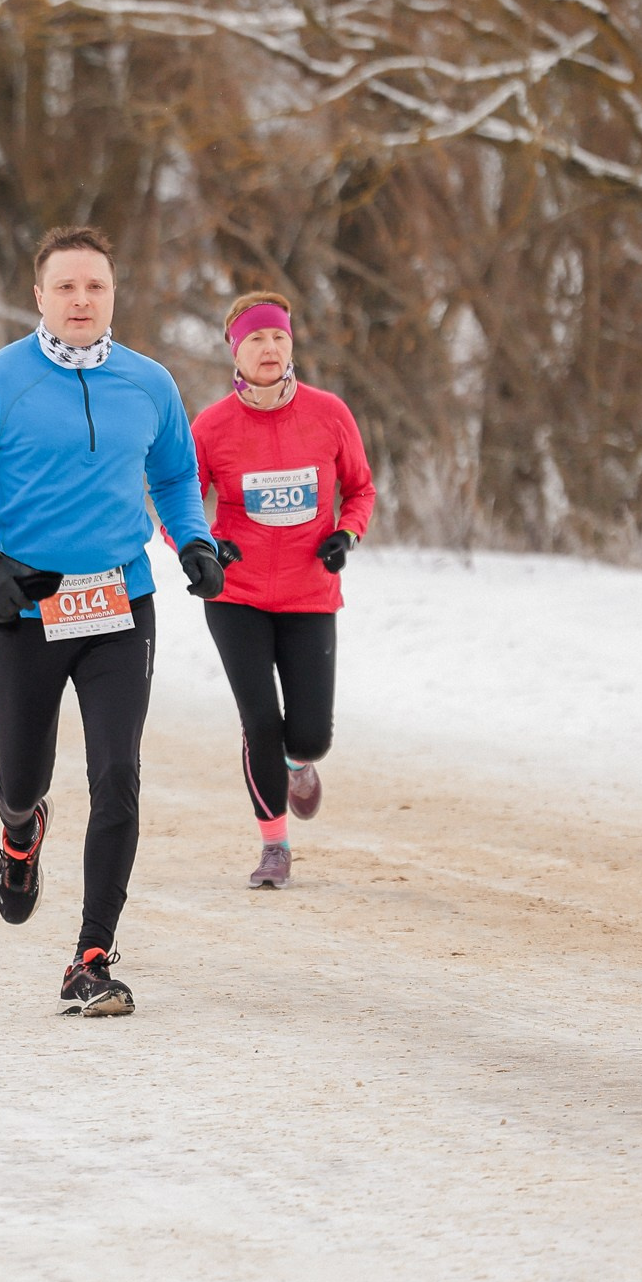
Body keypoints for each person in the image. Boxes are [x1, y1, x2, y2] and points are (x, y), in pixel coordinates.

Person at [0, 224, 229, 1017]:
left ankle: (91, 955)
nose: (81, 300)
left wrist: (191, 540)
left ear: (113, 295)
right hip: (26, 606)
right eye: (66, 287)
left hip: (122, 603)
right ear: (39, 297)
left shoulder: (150, 383)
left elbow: (175, 472)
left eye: (95, 286)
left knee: (117, 776)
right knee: (22, 779)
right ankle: (20, 832)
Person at [190, 291, 375, 891]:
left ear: (291, 344)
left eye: (278, 338)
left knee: (311, 733)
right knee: (259, 721)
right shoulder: (212, 427)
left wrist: (346, 534)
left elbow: (361, 489)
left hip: (308, 593)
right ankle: (274, 846)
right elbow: (179, 504)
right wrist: (204, 550)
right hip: (235, 594)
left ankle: (300, 764)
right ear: (235, 353)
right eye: (255, 340)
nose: (269, 349)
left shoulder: (328, 414)